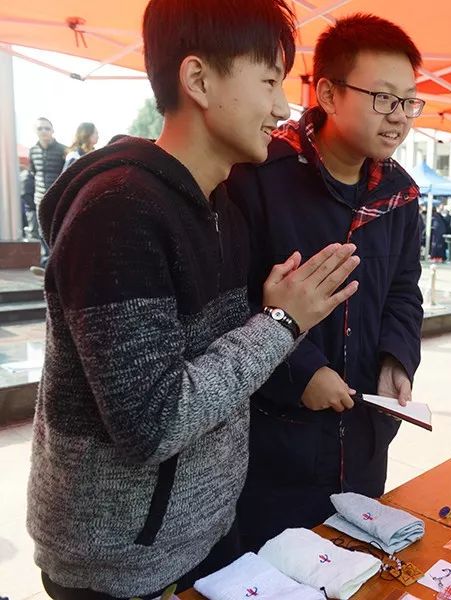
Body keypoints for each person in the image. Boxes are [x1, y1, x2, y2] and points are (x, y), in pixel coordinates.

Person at [26, 1, 360, 598]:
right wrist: (282, 322)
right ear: (199, 79)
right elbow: (152, 423)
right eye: (268, 81)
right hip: (119, 564)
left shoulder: (220, 208)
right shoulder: (119, 212)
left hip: (198, 538)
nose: (282, 108)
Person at [225, 13, 425, 551]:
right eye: (384, 98)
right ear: (329, 94)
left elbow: (404, 290)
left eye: (409, 102)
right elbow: (230, 303)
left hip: (362, 438)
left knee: (355, 566)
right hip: (275, 442)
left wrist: (396, 358)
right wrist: (302, 370)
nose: (399, 117)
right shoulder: (261, 176)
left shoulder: (400, 196)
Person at [27, 117, 67, 272]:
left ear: (53, 131)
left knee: (57, 229)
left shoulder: (62, 150)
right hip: (39, 197)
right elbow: (33, 172)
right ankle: (47, 263)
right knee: (41, 231)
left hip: (57, 198)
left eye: (47, 128)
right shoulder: (32, 151)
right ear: (35, 132)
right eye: (40, 128)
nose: (44, 131)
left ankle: (58, 261)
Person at [18, 160, 36, 240]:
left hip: (29, 209)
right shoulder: (27, 176)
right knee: (33, 233)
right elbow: (26, 195)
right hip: (31, 210)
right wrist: (33, 207)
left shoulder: (27, 175)